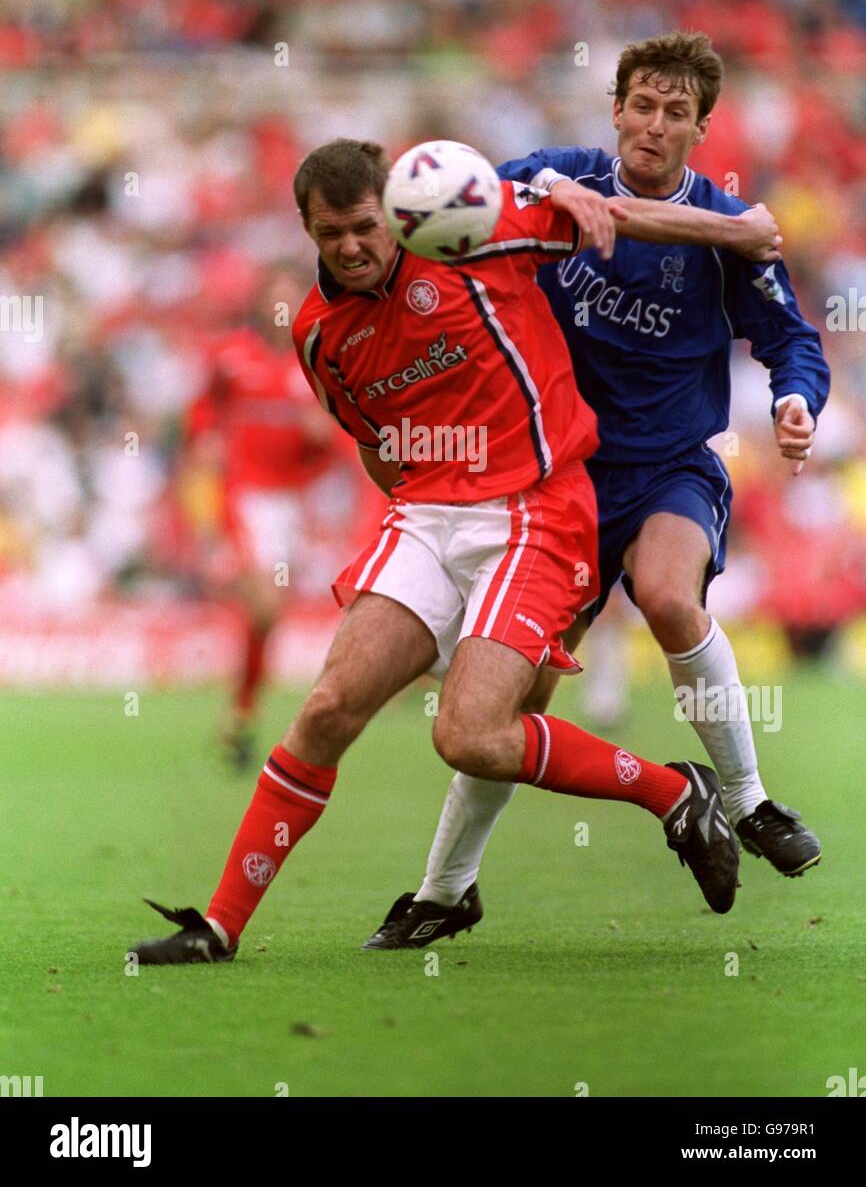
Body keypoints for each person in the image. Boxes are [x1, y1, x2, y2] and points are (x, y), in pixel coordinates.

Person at [129, 135, 783, 965]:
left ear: (393, 215)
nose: (352, 247)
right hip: (427, 515)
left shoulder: (471, 232)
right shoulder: (316, 334)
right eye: (331, 236)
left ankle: (674, 794)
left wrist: (736, 231)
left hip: (535, 509)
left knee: (470, 734)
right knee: (328, 709)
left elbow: (613, 217)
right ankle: (219, 927)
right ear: (308, 231)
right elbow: (374, 441)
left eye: (366, 226)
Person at [363, 32, 831, 954]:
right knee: (510, 705)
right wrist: (555, 194)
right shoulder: (559, 172)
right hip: (560, 486)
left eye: (676, 113)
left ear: (702, 127)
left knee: (664, 591)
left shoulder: (732, 228)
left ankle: (749, 801)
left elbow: (792, 337)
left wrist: (793, 399)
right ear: (616, 109)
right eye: (642, 106)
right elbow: (482, 197)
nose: (654, 125)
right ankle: (445, 889)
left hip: (670, 466)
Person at [184, 267, 335, 766]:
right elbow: (203, 408)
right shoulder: (232, 356)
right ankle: (226, 568)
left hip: (289, 505)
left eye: (291, 301)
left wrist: (321, 439)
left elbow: (332, 443)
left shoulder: (314, 366)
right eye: (276, 300)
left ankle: (240, 715)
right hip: (244, 495)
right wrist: (205, 436)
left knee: (266, 620)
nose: (282, 311)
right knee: (267, 608)